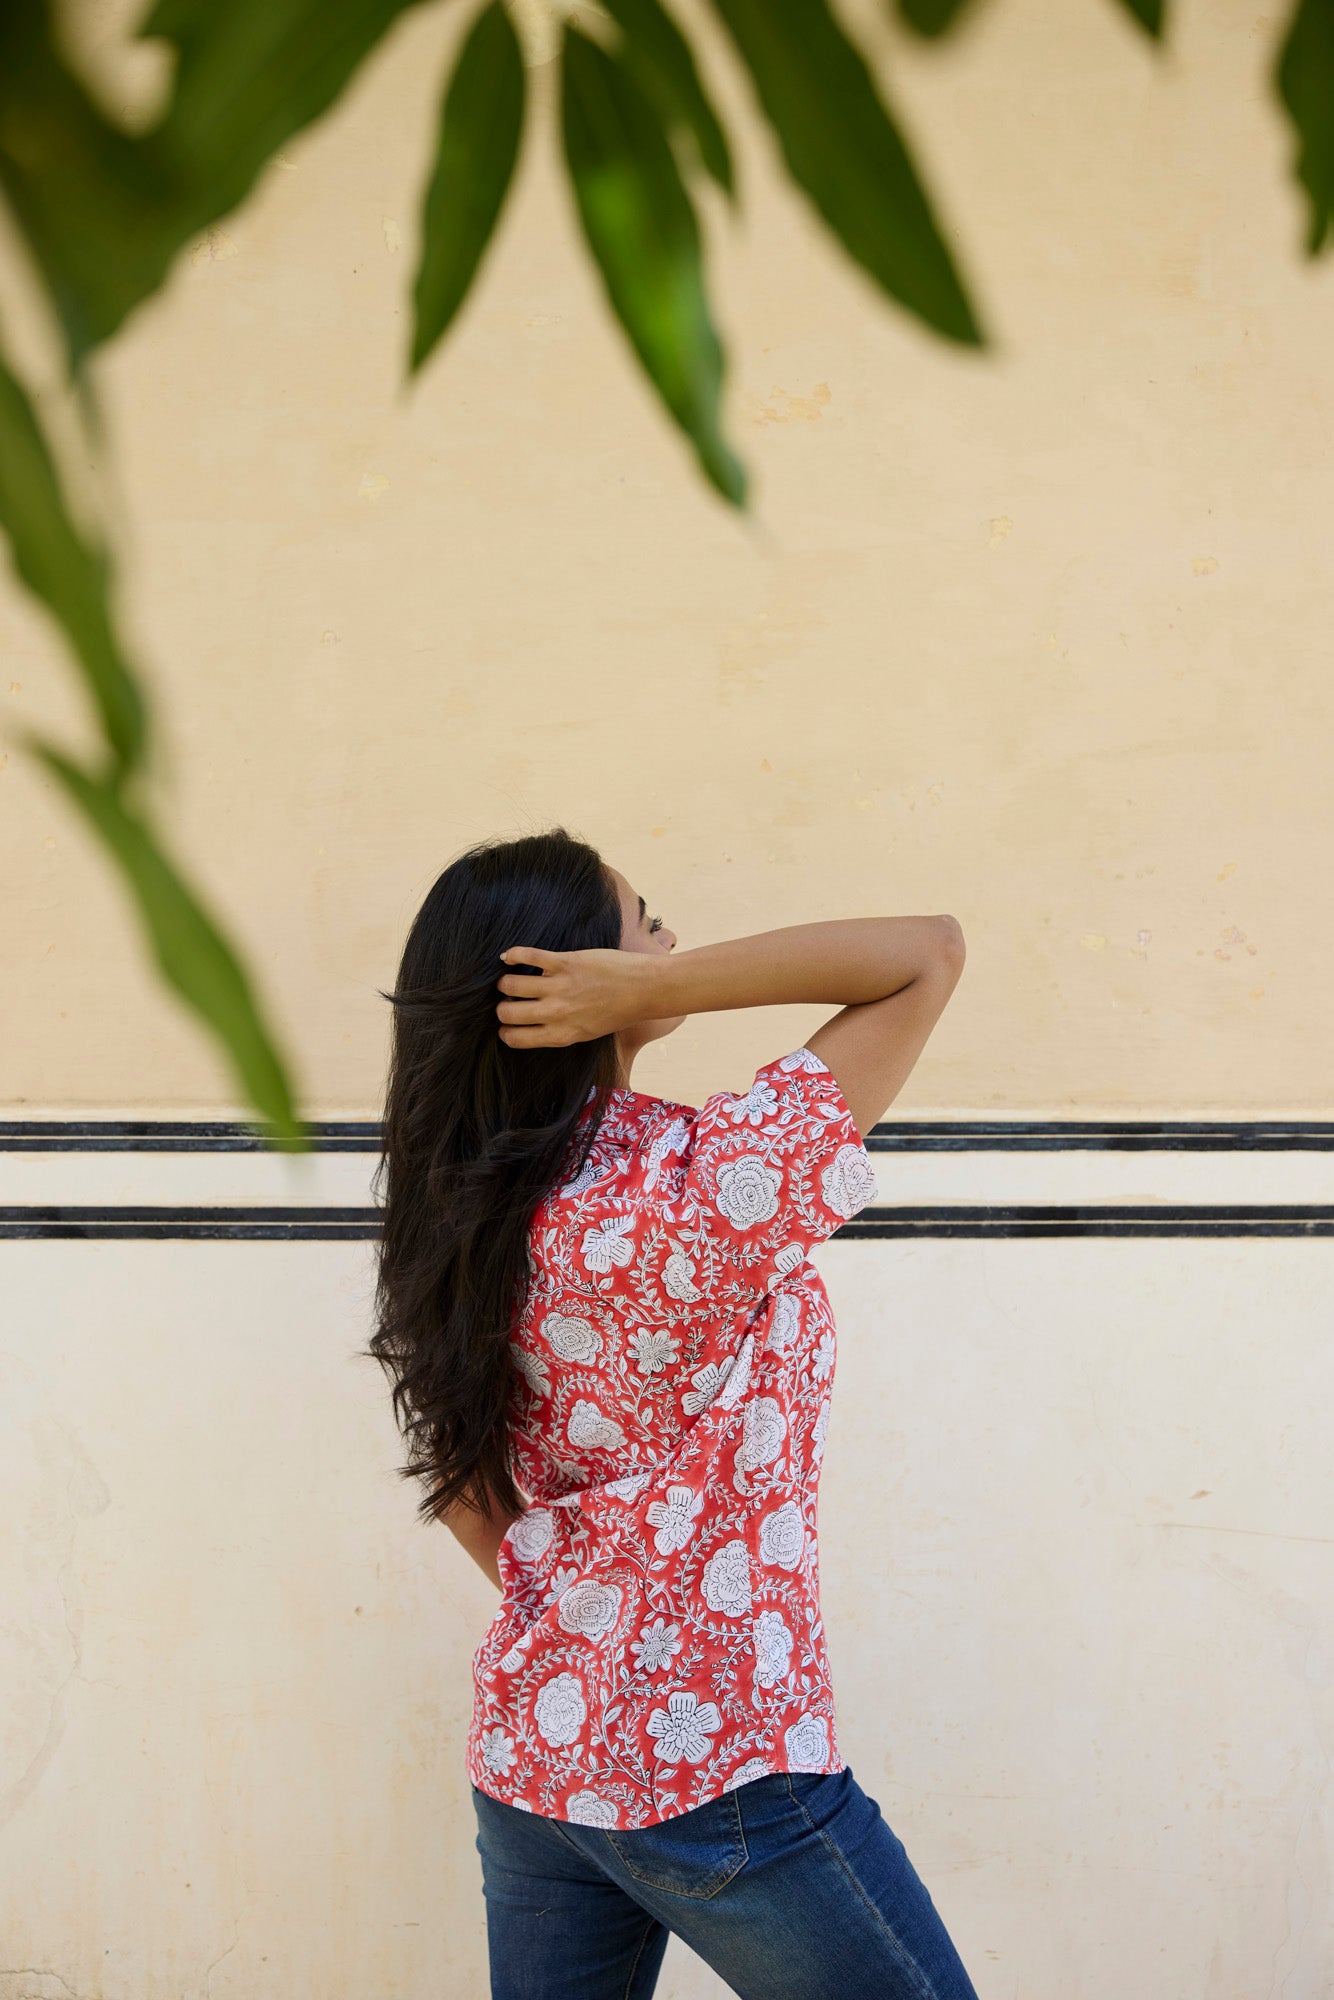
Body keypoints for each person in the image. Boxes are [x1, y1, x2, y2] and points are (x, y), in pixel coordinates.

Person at [369, 827, 975, 2000]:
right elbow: (926, 954)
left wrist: (597, 1618)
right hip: (728, 1773)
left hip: (538, 1763)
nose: (667, 940)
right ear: (569, 975)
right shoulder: (695, 1192)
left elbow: (454, 1473)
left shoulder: (459, 1206)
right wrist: (653, 990)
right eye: (644, 922)